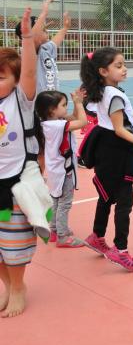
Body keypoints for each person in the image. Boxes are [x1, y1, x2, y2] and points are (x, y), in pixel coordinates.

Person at [80, 47, 133, 271]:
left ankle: (97, 236)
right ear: (103, 71)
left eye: (124, 64)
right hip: (118, 151)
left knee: (106, 197)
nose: (124, 69)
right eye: (119, 65)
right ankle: (120, 250)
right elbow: (118, 129)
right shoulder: (114, 94)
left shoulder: (103, 90)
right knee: (125, 202)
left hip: (106, 149)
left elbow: (111, 118)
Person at [0, 6, 47, 317]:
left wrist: (28, 38)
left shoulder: (21, 100)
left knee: (13, 240)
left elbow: (30, 71)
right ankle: (9, 286)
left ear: (15, 80)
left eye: (0, 76)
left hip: (15, 183)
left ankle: (18, 286)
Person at [36, 89, 87, 247]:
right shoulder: (58, 125)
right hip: (64, 171)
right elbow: (82, 122)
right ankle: (63, 236)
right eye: (64, 105)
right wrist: (79, 103)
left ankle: (54, 230)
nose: (66, 108)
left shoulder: (48, 124)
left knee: (56, 199)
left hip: (54, 170)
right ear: (52, 110)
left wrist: (77, 104)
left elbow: (73, 118)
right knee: (65, 202)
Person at [14, 0, 69, 94]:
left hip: (52, 101)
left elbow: (56, 41)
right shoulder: (30, 52)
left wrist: (65, 28)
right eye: (43, 30)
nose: (46, 31)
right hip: (38, 104)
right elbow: (33, 39)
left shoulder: (45, 48)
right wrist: (44, 12)